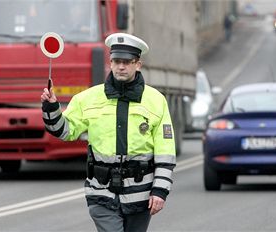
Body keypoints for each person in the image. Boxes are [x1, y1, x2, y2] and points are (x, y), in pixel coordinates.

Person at [40, 32, 176, 232]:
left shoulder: (156, 101)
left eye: (127, 62)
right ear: (110, 63)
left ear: (138, 64)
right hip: (101, 192)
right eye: (116, 61)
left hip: (141, 196)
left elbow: (166, 151)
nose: (121, 66)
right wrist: (52, 109)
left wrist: (160, 191)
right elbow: (64, 131)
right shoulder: (87, 99)